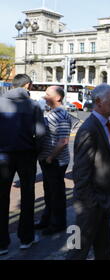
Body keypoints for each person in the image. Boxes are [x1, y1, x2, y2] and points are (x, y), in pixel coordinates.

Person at [67, 84, 110, 260]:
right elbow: (81, 172)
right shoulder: (88, 129)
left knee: (104, 249)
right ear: (98, 101)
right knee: (76, 250)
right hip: (89, 205)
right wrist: (90, 204)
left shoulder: (105, 124)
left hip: (103, 201)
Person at [0, 74, 46, 256]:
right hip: (26, 154)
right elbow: (41, 133)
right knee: (28, 194)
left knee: (2, 196)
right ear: (27, 85)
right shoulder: (33, 105)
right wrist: (36, 150)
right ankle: (26, 237)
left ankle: (2, 243)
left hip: (2, 154)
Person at [35, 86, 72, 235]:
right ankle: (47, 219)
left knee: (56, 194)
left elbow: (63, 141)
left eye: (47, 94)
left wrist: (50, 158)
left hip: (55, 161)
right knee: (49, 192)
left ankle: (57, 224)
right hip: (48, 160)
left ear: (57, 98)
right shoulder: (53, 113)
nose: (44, 97)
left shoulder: (60, 115)